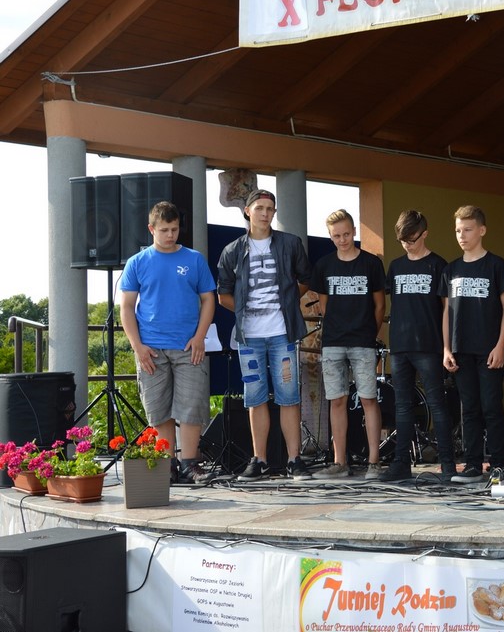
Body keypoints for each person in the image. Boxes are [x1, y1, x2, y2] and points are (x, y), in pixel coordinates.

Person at [216, 189, 314, 481]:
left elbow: (306, 278)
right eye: (259, 208)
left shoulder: (290, 243)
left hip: (283, 333)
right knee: (255, 397)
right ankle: (259, 460)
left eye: (270, 209)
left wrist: (287, 301)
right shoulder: (233, 250)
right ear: (247, 211)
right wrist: (244, 310)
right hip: (250, 337)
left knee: (288, 396)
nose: (265, 213)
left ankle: (294, 459)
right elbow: (223, 294)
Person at [120, 201, 216, 484]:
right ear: (151, 229)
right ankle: (168, 465)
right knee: (158, 407)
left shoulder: (194, 259)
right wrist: (137, 346)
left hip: (188, 346)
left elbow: (208, 299)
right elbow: (126, 307)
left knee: (191, 406)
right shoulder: (137, 262)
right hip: (150, 348)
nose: (171, 235)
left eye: (174, 229)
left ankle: (190, 464)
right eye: (164, 230)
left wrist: (200, 337)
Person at [379, 210, 457, 482]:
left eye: (412, 240)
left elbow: (447, 310)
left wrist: (447, 347)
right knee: (402, 405)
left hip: (429, 345)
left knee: (437, 404)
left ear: (425, 234)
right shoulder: (396, 266)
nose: (407, 245)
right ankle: (401, 462)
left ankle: (448, 464)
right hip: (400, 346)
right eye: (403, 240)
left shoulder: (438, 265)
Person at [309, 209, 387, 481]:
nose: (342, 240)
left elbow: (380, 305)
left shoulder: (371, 263)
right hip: (333, 342)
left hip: (362, 341)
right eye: (336, 236)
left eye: (346, 234)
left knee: (368, 399)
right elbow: (324, 305)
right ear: (330, 236)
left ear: (354, 231)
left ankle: (374, 462)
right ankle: (339, 462)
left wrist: (368, 333)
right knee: (337, 400)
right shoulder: (324, 265)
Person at [442, 205, 504, 483]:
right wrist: (446, 348)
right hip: (460, 349)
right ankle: (472, 464)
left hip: (489, 350)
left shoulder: (496, 266)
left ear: (482, 230)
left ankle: (498, 464)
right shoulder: (451, 269)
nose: (462, 235)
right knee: (468, 408)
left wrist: (501, 345)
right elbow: (446, 312)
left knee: (491, 407)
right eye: (458, 230)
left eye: (468, 229)